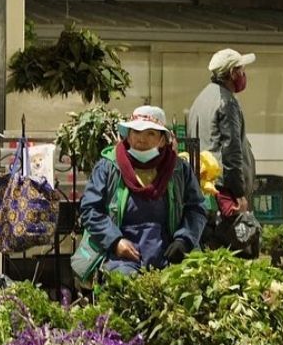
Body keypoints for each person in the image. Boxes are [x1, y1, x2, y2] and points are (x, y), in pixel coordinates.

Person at [79, 106, 207, 275]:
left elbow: (197, 208)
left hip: (168, 255)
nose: (141, 139)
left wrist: (184, 240)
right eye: (136, 132)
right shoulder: (108, 167)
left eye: (150, 133)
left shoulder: (179, 169)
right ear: (128, 135)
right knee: (125, 282)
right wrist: (115, 241)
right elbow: (90, 210)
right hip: (120, 258)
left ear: (162, 140)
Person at [188, 48, 256, 218]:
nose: (244, 74)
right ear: (233, 73)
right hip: (225, 190)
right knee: (234, 240)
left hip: (204, 185)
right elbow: (231, 150)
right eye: (242, 70)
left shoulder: (201, 98)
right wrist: (238, 193)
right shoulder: (226, 102)